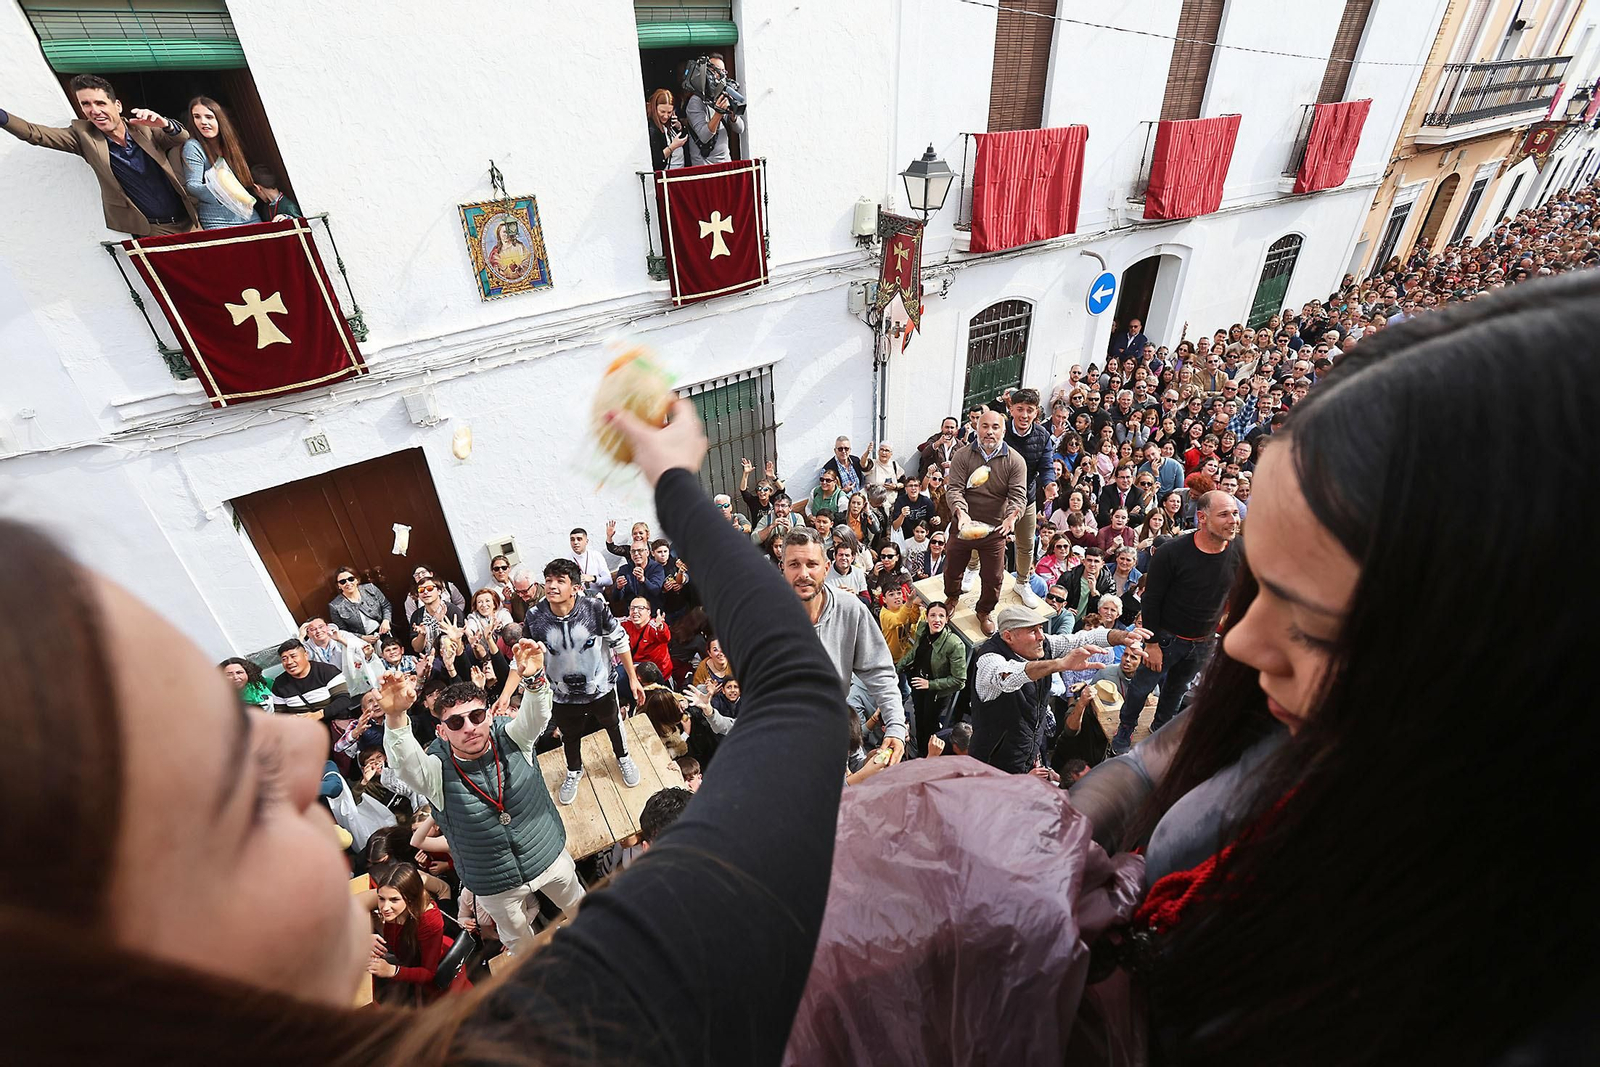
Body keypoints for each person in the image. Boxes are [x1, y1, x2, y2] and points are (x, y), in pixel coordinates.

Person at [380, 639, 582, 956]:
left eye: (476, 716)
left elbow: (537, 715)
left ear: (488, 716)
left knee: (581, 907)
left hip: (547, 855)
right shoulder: (436, 771)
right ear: (441, 731)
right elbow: (406, 764)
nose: (469, 727)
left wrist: (534, 678)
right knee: (517, 941)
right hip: (495, 883)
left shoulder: (514, 738)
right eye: (456, 722)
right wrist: (395, 719)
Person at [1109, 489, 1242, 754]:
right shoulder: (1172, 553)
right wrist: (1154, 644)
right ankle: (1125, 727)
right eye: (1224, 514)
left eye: (1236, 513)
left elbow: (1239, 591)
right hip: (1167, 638)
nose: (1233, 520)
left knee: (1176, 690)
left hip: (1203, 641)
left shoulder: (1241, 550)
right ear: (1202, 518)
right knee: (1140, 689)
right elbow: (1152, 600)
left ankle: (1160, 729)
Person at [501, 557, 644, 802]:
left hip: (600, 687)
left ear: (576, 587)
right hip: (561, 693)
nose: (553, 586)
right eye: (549, 580)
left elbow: (619, 640)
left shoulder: (595, 608)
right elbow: (522, 658)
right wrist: (505, 696)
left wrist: (632, 677)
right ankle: (574, 770)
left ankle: (623, 757)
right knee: (569, 735)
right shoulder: (535, 616)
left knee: (613, 724)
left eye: (560, 581)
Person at [1, 74, 197, 235]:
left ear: (117, 105)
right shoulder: (82, 137)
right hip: (154, 229)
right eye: (86, 104)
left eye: (100, 103)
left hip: (189, 219)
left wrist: (165, 124)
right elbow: (35, 134)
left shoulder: (145, 129)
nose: (94, 111)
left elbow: (181, 137)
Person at [969, 605, 1146, 775]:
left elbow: (1082, 639)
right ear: (1008, 637)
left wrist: (1123, 636)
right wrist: (1059, 665)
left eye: (1040, 628)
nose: (1041, 636)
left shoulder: (1043, 645)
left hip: (1029, 755)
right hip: (992, 764)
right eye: (1033, 631)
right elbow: (1008, 676)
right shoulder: (989, 659)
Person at [782, 526, 908, 761]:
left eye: (812, 564)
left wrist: (896, 725)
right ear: (782, 569)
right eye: (794, 565)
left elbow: (879, 671)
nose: (803, 573)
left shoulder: (850, 609)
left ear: (826, 568)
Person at [943, 408, 1028, 635]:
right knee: (952, 567)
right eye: (985, 426)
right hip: (963, 524)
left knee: (994, 576)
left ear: (1004, 430)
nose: (989, 432)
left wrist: (1011, 518)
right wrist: (961, 513)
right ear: (976, 428)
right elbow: (954, 489)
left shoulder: (1015, 461)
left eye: (995, 427)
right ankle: (952, 598)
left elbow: (1018, 496)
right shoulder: (962, 455)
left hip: (995, 528)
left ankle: (984, 611)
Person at [367, 864, 456, 1005]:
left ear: (410, 898)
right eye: (381, 899)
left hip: (439, 988)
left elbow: (429, 973)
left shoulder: (429, 921)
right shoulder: (396, 904)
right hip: (407, 962)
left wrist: (391, 970)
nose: (385, 907)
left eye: (394, 900)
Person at [895, 601, 967, 755]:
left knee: (930, 724)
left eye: (941, 616)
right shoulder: (922, 628)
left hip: (935, 693)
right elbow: (914, 653)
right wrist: (897, 669)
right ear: (926, 617)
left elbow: (959, 681)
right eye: (933, 615)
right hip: (917, 683)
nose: (937, 619)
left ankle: (928, 755)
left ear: (947, 619)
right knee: (918, 717)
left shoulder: (954, 644)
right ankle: (921, 748)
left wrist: (930, 684)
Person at [1003, 388, 1052, 607]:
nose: (1024, 415)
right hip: (998, 495)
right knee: (985, 537)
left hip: (1027, 497)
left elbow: (1046, 465)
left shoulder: (1042, 435)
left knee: (1026, 544)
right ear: (1011, 409)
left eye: (1029, 410)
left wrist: (1050, 484)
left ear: (1036, 413)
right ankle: (975, 571)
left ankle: (1022, 582)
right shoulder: (1000, 430)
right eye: (1020, 409)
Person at [181, 96, 255, 229]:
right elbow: (193, 185)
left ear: (219, 119)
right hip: (218, 220)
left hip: (248, 215)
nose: (203, 122)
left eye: (209, 117)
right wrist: (221, 190)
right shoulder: (193, 146)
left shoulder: (232, 145)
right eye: (197, 117)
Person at [683, 52, 746, 165]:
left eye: (723, 72)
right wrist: (718, 113)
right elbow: (704, 136)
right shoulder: (696, 101)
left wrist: (733, 116)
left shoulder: (721, 96)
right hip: (705, 168)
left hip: (725, 164)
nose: (720, 76)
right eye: (717, 71)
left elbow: (740, 129)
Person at [271, 638, 346, 714]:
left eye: (293, 656)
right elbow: (280, 713)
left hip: (334, 722)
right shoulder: (280, 684)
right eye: (284, 659)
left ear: (306, 655)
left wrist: (319, 715)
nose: (289, 662)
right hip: (304, 725)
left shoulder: (327, 671)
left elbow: (343, 699)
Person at [327, 566, 392, 649]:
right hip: (362, 642)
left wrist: (386, 620)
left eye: (351, 579)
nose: (348, 583)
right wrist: (362, 637)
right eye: (343, 582)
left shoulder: (370, 588)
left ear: (357, 579)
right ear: (338, 585)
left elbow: (385, 605)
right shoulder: (335, 606)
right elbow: (343, 631)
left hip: (384, 632)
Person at [622, 597, 674, 681]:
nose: (635, 611)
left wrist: (661, 627)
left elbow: (665, 637)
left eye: (640, 608)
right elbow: (610, 623)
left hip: (658, 674)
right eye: (632, 608)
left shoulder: (653, 625)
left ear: (649, 612)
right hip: (637, 674)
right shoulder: (625, 623)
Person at [645, 87, 687, 170]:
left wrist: (680, 127)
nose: (666, 116)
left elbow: (684, 139)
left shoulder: (670, 123)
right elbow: (656, 161)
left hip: (679, 170)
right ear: (654, 108)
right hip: (666, 175)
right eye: (662, 112)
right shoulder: (653, 129)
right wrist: (672, 147)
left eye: (669, 112)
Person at [566, 528, 614, 598]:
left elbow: (609, 580)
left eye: (579, 539)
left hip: (597, 597)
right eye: (572, 539)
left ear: (586, 541)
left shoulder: (596, 555)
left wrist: (593, 578)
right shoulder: (567, 560)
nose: (575, 542)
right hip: (577, 599)